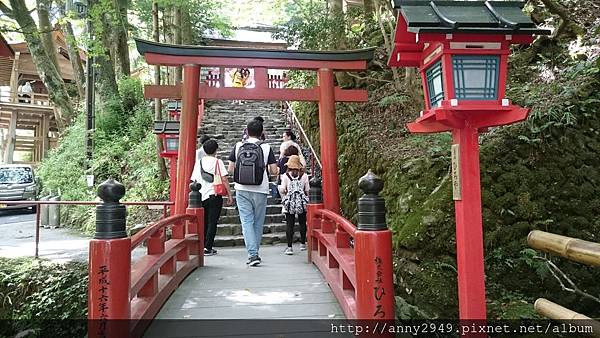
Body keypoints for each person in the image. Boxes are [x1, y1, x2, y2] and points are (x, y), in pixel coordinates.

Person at [228, 119, 279, 266]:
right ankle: (254, 253)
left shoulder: (238, 146)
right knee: (258, 223)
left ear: (246, 131)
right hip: (261, 189)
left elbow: (231, 169)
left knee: (246, 222)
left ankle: (253, 255)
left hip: (241, 189)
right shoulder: (266, 147)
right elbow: (274, 171)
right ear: (261, 133)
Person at [191, 139, 234, 256]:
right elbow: (224, 179)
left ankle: (202, 245)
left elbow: (194, 179)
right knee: (212, 222)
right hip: (214, 195)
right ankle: (208, 247)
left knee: (204, 221)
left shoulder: (198, 163)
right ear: (216, 150)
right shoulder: (217, 162)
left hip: (201, 195)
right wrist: (230, 195)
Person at [278, 155, 309, 255]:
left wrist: (286, 192)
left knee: (289, 224)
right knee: (302, 223)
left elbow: (282, 189)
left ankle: (289, 247)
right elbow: (307, 190)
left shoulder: (285, 176)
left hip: (290, 203)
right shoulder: (304, 176)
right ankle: (303, 244)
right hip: (301, 202)